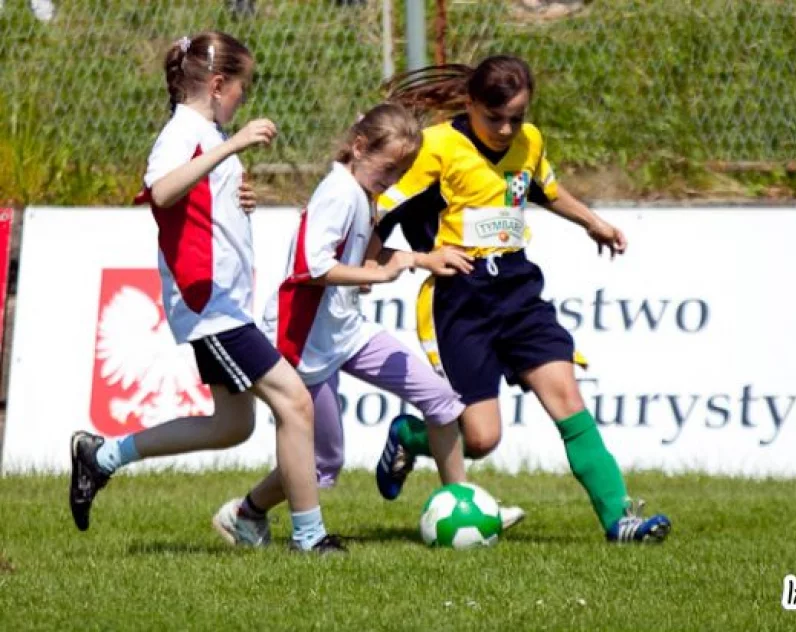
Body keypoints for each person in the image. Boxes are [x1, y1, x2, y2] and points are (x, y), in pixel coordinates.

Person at [373, 55, 671, 543]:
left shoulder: (529, 142)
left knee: (569, 400)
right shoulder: (437, 147)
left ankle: (621, 519)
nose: (508, 128)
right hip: (460, 299)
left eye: (518, 116)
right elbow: (380, 210)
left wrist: (591, 220)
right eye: (496, 118)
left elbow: (544, 190)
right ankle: (410, 435)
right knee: (481, 439)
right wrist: (388, 263)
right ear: (470, 103)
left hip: (518, 292)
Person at [68, 31, 344, 555]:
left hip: (225, 302)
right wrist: (233, 146)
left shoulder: (207, 132)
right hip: (207, 304)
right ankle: (310, 537)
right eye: (243, 86)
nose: (245, 97)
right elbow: (163, 190)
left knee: (233, 424)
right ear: (218, 85)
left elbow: (196, 196)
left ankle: (100, 456)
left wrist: (236, 192)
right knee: (296, 403)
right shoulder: (186, 130)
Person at [210, 102, 509, 546]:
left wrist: (419, 259)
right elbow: (310, 267)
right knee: (323, 464)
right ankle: (246, 513)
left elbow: (364, 259)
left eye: (401, 171)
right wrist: (380, 272)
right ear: (359, 146)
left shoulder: (364, 193)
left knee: (442, 400)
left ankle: (462, 508)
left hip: (348, 330)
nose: (391, 179)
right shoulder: (338, 192)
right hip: (305, 341)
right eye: (389, 167)